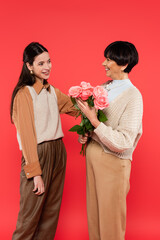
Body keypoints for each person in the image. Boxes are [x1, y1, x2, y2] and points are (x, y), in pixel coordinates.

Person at [10, 42, 78, 240]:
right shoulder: (24, 94)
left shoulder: (52, 92)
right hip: (37, 153)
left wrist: (94, 99)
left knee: (50, 214)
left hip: (58, 151)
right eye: (40, 63)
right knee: (29, 217)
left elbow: (77, 108)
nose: (47, 66)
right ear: (29, 66)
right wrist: (35, 172)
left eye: (48, 61)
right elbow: (27, 136)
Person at [77, 41, 143, 240]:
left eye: (108, 59)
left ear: (123, 64)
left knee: (111, 222)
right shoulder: (102, 87)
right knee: (95, 217)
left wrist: (94, 122)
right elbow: (95, 126)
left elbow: (124, 142)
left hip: (114, 162)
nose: (103, 63)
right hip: (94, 157)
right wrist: (86, 133)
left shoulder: (133, 96)